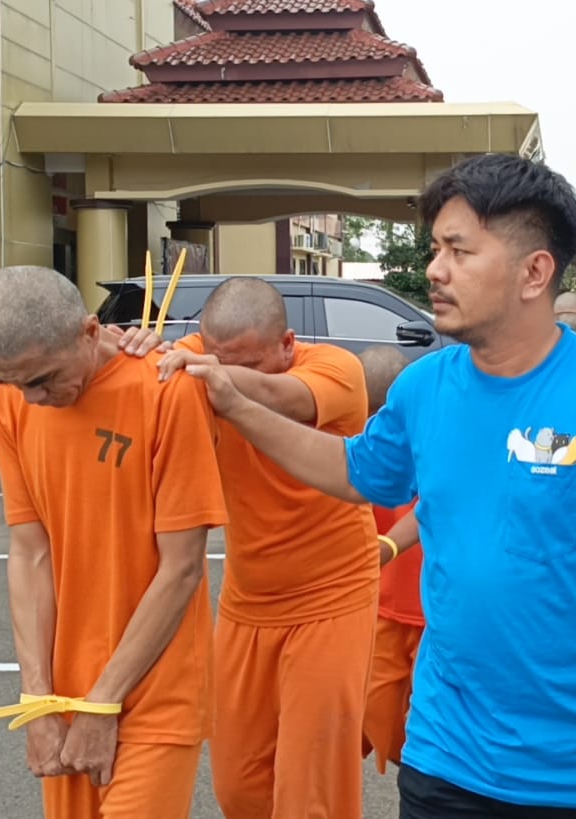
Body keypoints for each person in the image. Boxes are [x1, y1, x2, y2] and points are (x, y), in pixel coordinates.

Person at [173, 154, 576, 818]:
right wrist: (236, 405)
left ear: (534, 272)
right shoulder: (424, 388)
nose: (435, 269)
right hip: (446, 760)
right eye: (436, 248)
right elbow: (352, 470)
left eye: (459, 251)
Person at [0, 265, 228, 819]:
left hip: (157, 687)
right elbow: (29, 552)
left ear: (89, 331)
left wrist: (103, 703)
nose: (33, 398)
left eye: (44, 379)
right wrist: (37, 701)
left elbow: (181, 568)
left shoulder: (166, 389)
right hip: (63, 692)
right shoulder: (6, 396)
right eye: (16, 382)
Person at [154, 278, 378, 819]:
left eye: (250, 363)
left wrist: (209, 372)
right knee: (240, 787)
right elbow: (137, 371)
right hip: (246, 601)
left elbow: (283, 398)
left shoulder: (337, 370)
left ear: (287, 344)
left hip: (333, 597)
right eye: (219, 358)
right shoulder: (200, 356)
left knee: (310, 794)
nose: (229, 372)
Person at [356, 346, 425, 777]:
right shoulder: (359, 448)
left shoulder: (435, 441)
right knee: (387, 721)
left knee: (412, 728)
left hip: (417, 611)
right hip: (391, 607)